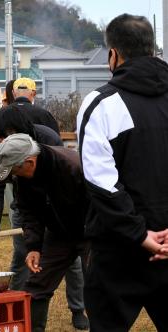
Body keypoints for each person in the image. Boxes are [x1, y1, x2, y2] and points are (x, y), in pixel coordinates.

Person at [77, 14, 168, 331]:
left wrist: (140, 235)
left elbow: (101, 183)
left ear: (113, 54)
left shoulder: (101, 103)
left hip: (117, 249)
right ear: (152, 49)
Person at [0, 107, 89, 330]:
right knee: (37, 285)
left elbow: (98, 207)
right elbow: (29, 212)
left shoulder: (73, 168)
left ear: (29, 162)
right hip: (59, 234)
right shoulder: (25, 178)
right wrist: (34, 246)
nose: (12, 176)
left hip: (92, 231)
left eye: (14, 170)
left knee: (100, 285)